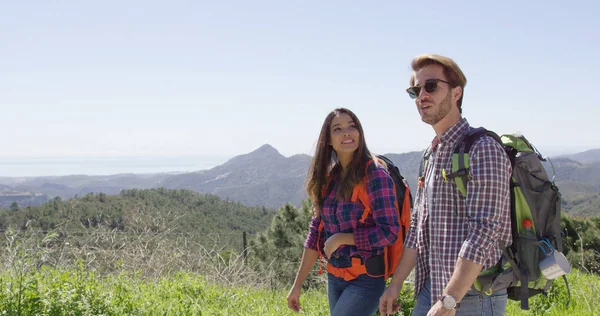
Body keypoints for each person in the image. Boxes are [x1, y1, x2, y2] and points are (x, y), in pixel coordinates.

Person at [379, 54, 512, 316]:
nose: (422, 96)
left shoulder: (482, 148)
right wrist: (395, 285)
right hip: (432, 288)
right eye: (415, 90)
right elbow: (418, 226)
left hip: (472, 296)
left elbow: (484, 232)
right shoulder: (431, 154)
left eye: (431, 86)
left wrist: (450, 300)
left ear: (456, 92)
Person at [287, 107, 400, 316]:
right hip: (335, 276)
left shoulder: (375, 174)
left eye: (352, 126)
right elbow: (315, 234)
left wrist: (342, 238)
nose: (347, 132)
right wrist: (297, 284)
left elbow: (389, 231)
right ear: (328, 140)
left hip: (366, 280)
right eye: (338, 129)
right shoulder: (330, 178)